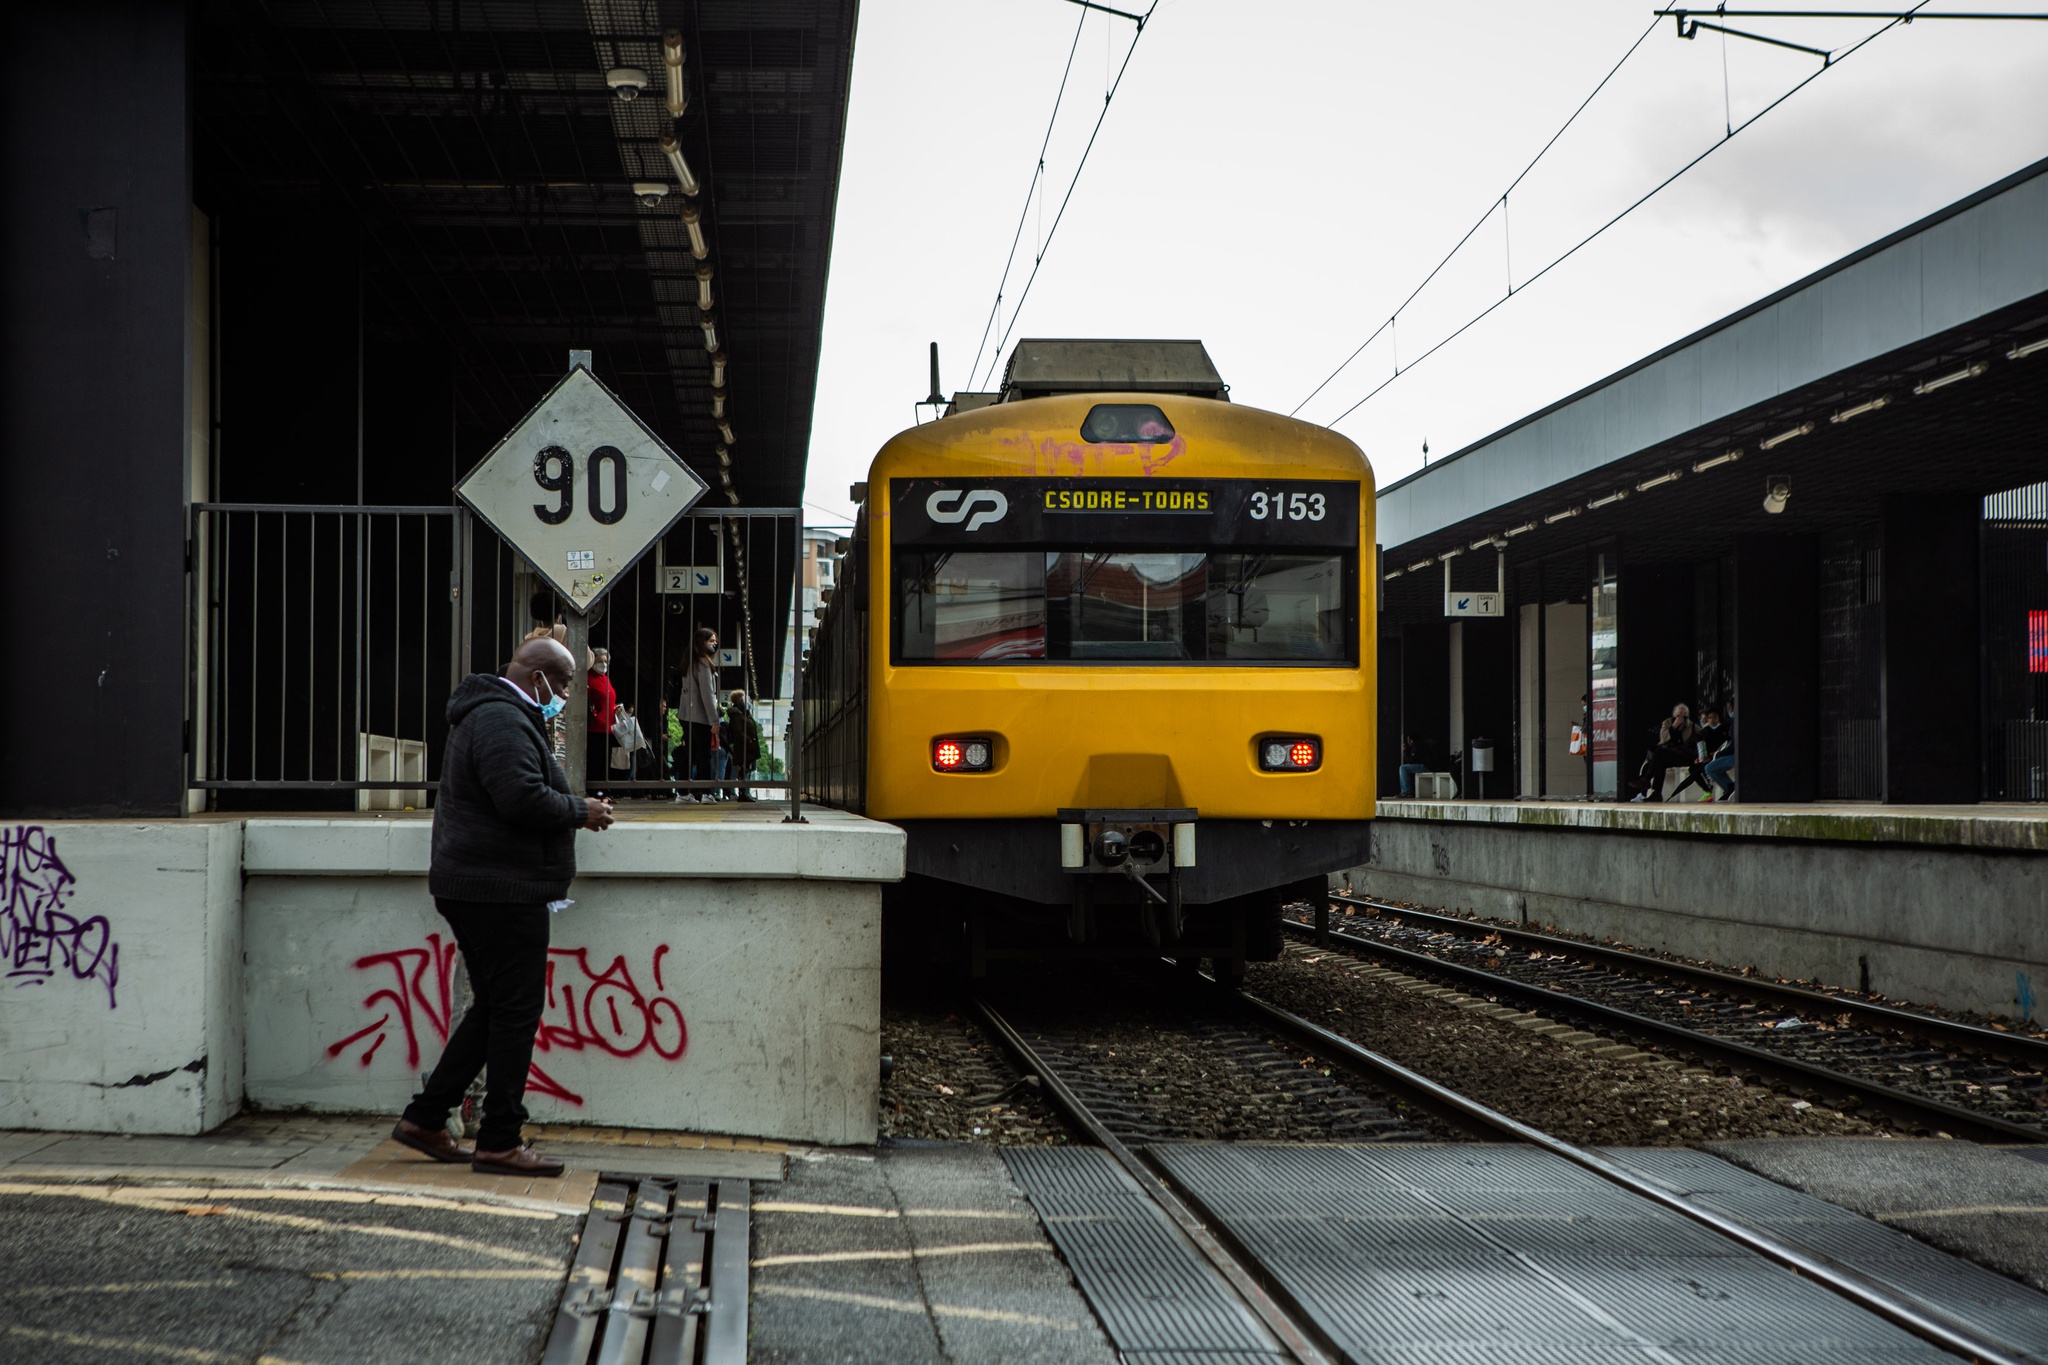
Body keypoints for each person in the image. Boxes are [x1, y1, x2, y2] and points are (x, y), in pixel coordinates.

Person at [390, 637, 615, 1176]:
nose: (563, 694)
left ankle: (425, 1118)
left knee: (494, 1007)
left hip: (484, 885)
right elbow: (518, 797)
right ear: (537, 674)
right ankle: (501, 1139)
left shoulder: (498, 714)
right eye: (561, 683)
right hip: (498, 888)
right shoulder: (501, 719)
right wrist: (579, 809)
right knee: (516, 1012)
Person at [666, 627, 721, 801]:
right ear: (701, 642)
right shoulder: (704, 664)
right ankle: (706, 793)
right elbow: (707, 694)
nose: (714, 644)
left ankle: (682, 793)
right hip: (700, 716)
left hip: (687, 715)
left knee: (689, 753)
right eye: (710, 641)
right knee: (704, 755)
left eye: (715, 641)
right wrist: (714, 719)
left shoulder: (689, 662)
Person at [1632, 703, 1700, 802]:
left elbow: (1701, 739)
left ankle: (1646, 779)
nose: (1681, 718)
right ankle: (1656, 794)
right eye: (1678, 716)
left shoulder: (1692, 726)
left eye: (1683, 715)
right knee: (1660, 762)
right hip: (1670, 754)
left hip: (1686, 756)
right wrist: (1673, 727)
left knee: (1659, 751)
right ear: (1674, 716)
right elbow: (1663, 739)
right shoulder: (1667, 723)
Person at [586, 646, 618, 794]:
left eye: (606, 661)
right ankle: (594, 792)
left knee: (605, 762)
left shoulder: (605, 679)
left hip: (609, 727)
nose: (603, 664)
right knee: (595, 761)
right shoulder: (588, 678)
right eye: (600, 661)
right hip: (595, 727)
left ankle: (603, 791)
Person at [723, 690, 762, 801]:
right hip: (743, 747)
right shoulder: (736, 714)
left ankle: (744, 791)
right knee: (744, 769)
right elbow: (738, 731)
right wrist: (749, 740)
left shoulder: (743, 714)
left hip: (747, 747)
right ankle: (743, 792)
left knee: (747, 769)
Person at [1698, 705, 1735, 800]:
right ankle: (1729, 789)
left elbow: (1732, 745)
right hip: (1720, 754)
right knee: (1703, 767)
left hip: (1733, 754)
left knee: (1710, 767)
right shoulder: (1705, 732)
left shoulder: (1727, 727)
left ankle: (1730, 788)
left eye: (1715, 717)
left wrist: (1719, 754)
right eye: (1709, 718)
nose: (1712, 720)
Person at [1397, 733, 1430, 798]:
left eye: (1408, 740)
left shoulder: (1418, 746)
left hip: (1426, 766)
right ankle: (1406, 791)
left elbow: (1410, 760)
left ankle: (1407, 791)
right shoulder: (1418, 745)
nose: (1408, 742)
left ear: (1411, 740)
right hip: (1425, 765)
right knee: (1405, 767)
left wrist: (1405, 751)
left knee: (1403, 768)